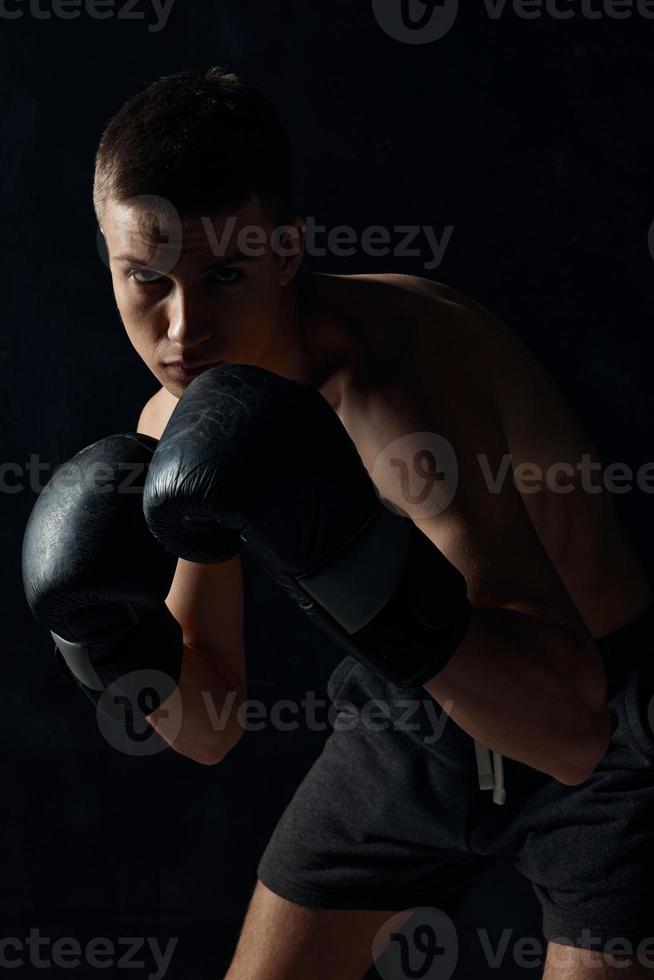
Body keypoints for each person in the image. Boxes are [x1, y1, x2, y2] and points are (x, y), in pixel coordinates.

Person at [24, 67, 654, 979]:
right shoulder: (181, 422)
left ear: (288, 251)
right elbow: (212, 725)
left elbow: (569, 729)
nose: (181, 329)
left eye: (225, 274)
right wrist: (110, 647)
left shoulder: (403, 377)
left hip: (603, 726)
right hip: (411, 724)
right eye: (146, 278)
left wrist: (343, 558)